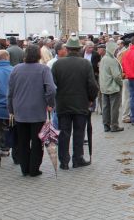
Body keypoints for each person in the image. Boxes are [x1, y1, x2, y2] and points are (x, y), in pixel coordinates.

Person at [8, 44, 55, 177]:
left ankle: (25, 168)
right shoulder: (43, 69)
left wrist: (11, 109)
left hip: (20, 111)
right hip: (37, 111)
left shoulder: (16, 69)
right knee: (37, 141)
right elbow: (51, 89)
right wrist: (50, 103)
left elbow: (10, 92)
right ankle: (34, 168)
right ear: (39, 55)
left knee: (22, 141)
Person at [52, 35, 99, 169]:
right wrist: (91, 99)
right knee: (79, 133)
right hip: (80, 104)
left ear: (67, 49)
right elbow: (92, 85)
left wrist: (54, 101)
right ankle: (77, 158)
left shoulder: (57, 64)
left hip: (63, 104)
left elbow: (52, 85)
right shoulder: (85, 64)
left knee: (63, 133)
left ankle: (64, 161)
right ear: (79, 49)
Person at [99, 40, 124, 133]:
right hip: (113, 87)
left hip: (104, 87)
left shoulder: (104, 59)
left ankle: (106, 125)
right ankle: (114, 125)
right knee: (114, 108)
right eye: (116, 49)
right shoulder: (112, 60)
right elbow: (116, 76)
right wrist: (121, 83)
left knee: (105, 107)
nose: (117, 51)